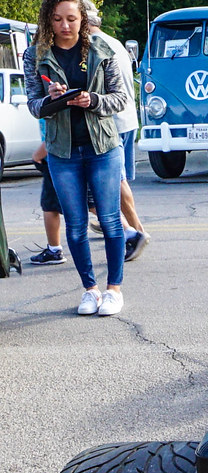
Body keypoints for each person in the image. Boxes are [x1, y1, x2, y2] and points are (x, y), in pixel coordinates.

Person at [25, 0, 129, 315]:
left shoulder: (101, 49)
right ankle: (90, 290)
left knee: (110, 221)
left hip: (103, 148)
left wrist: (92, 99)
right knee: (75, 225)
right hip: (62, 151)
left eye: (71, 19)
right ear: (48, 20)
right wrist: (52, 100)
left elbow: (121, 98)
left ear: (82, 19)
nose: (65, 26)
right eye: (57, 19)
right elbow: (33, 104)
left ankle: (114, 289)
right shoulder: (36, 54)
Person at [83, 1, 150, 262]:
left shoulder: (96, 47)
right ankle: (126, 228)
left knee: (115, 182)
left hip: (111, 123)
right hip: (126, 120)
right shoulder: (116, 42)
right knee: (116, 182)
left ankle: (136, 232)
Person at [29, 122, 67, 266]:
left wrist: (37, 155)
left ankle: (54, 250)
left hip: (56, 155)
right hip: (67, 154)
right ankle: (129, 233)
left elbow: (55, 131)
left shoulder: (52, 100)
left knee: (49, 205)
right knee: (92, 201)